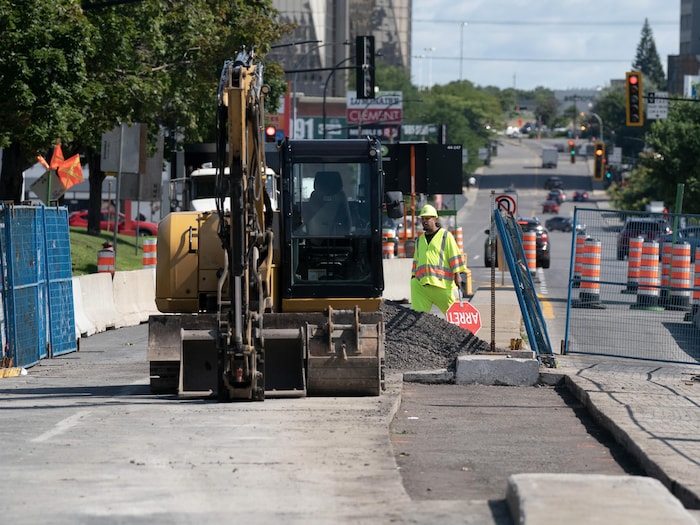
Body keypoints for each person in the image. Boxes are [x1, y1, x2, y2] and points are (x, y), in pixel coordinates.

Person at [410, 204, 467, 314]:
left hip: (443, 285)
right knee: (417, 317)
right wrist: (413, 277)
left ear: (435, 219)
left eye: (427, 218)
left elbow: (454, 256)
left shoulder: (445, 236)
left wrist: (458, 275)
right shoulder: (419, 240)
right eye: (423, 219)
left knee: (454, 317)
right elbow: (416, 261)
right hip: (423, 286)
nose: (424, 221)